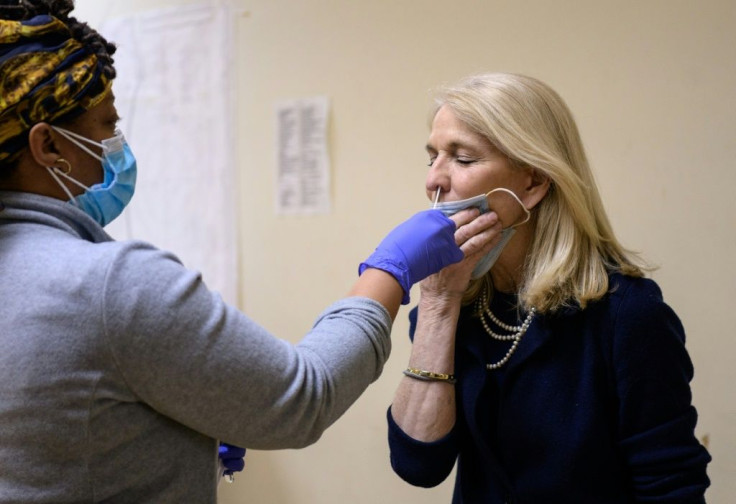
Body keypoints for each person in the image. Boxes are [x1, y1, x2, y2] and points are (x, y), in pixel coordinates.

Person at [0, 2, 502, 502]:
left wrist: (171, 444)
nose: (116, 146)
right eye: (106, 126)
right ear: (49, 147)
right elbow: (305, 396)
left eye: (461, 157)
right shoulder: (111, 284)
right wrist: (391, 267)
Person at [387, 72, 711, 503]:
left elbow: (671, 487)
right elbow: (419, 466)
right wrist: (437, 304)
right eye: (433, 158)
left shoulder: (627, 313)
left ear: (534, 182)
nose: (435, 181)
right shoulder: (452, 303)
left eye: (462, 160)